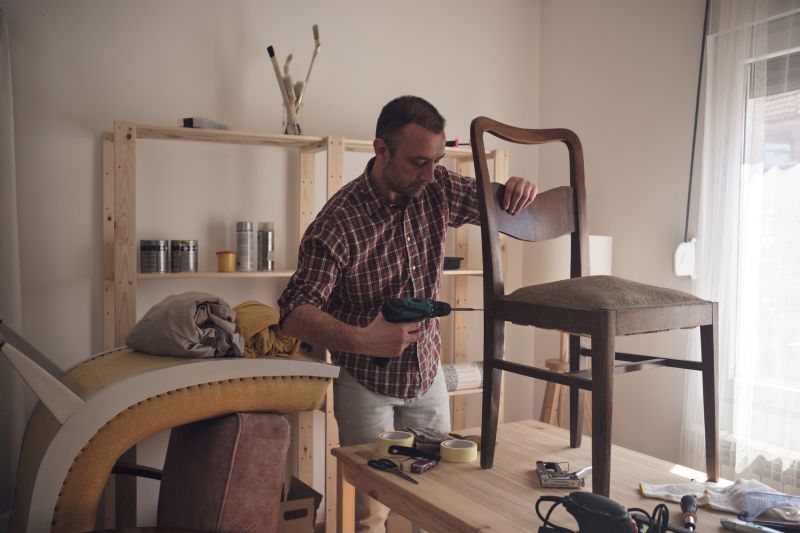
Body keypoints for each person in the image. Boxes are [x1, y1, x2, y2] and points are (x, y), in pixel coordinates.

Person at [278, 95, 536, 532]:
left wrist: (516, 188)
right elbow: (292, 312)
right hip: (365, 382)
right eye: (418, 162)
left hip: (427, 375)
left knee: (438, 502)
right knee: (371, 512)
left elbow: (501, 205)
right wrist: (362, 339)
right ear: (382, 151)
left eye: (436, 160)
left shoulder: (438, 187)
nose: (431, 174)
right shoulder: (337, 223)